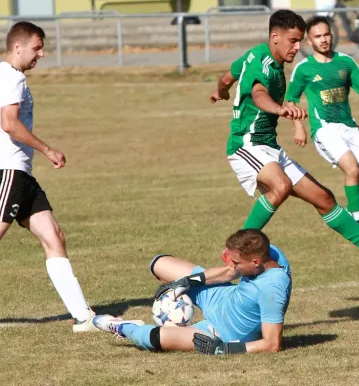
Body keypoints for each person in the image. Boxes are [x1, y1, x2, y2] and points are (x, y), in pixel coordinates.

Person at [210, 9, 359, 269]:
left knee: (324, 198)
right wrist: (279, 109)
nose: (298, 46)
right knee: (280, 187)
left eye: (300, 40)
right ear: (275, 37)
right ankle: (235, 252)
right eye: (293, 41)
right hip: (246, 143)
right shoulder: (263, 64)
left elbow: (226, 78)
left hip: (268, 145)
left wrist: (220, 92)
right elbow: (258, 94)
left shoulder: (256, 56)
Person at [0, 22, 96, 331]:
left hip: (22, 174)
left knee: (54, 236)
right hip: (9, 170)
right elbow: (9, 123)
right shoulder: (11, 77)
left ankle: (83, 316)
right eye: (36, 47)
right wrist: (47, 149)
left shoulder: (8, 76)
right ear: (18, 47)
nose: (41, 54)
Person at [93, 229, 291, 354]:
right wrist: (186, 282)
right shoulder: (270, 253)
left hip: (221, 332)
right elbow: (228, 272)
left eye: (237, 262)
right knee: (159, 263)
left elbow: (272, 344)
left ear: (255, 262)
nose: (232, 265)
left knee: (153, 338)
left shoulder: (273, 288)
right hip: (221, 296)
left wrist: (223, 348)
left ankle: (122, 327)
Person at [285, 15, 359, 232]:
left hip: (349, 126)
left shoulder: (345, 62)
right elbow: (291, 100)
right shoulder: (304, 69)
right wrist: (299, 127)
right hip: (324, 128)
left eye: (326, 34)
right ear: (310, 41)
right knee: (352, 169)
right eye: (318, 36)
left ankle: (349, 215)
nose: (324, 40)